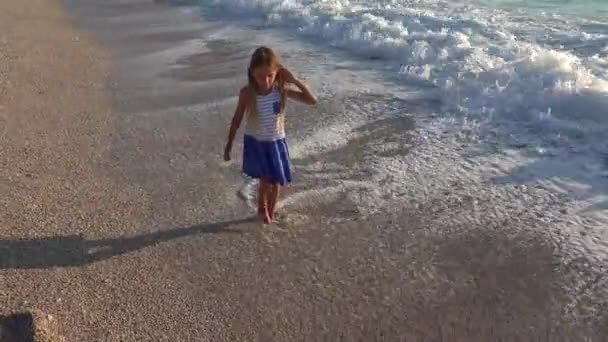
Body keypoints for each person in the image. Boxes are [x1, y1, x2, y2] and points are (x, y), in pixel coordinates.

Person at [224, 46, 318, 224]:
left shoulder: (281, 91)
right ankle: (262, 209)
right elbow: (236, 119)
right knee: (266, 179)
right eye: (260, 76)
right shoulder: (247, 93)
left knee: (276, 182)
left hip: (276, 142)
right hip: (257, 143)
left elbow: (312, 100)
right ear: (252, 73)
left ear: (277, 72)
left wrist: (295, 80)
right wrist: (229, 144)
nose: (265, 81)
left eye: (269, 75)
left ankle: (271, 211)